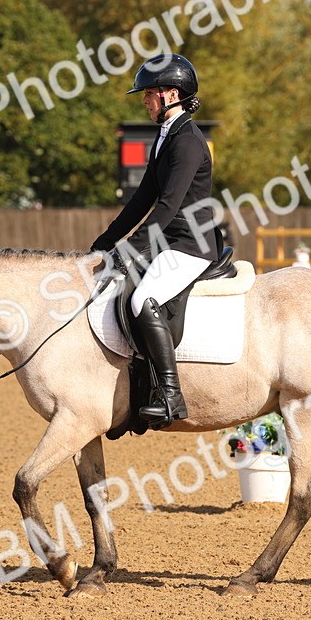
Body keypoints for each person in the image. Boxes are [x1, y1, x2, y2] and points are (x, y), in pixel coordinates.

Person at [90, 53, 216, 427]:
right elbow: (141, 200)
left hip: (191, 244)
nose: (144, 101)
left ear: (171, 94)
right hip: (170, 241)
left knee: (144, 299)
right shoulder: (165, 137)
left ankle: (170, 394)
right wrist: (105, 241)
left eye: (148, 94)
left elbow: (167, 205)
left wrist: (131, 250)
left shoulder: (188, 141)